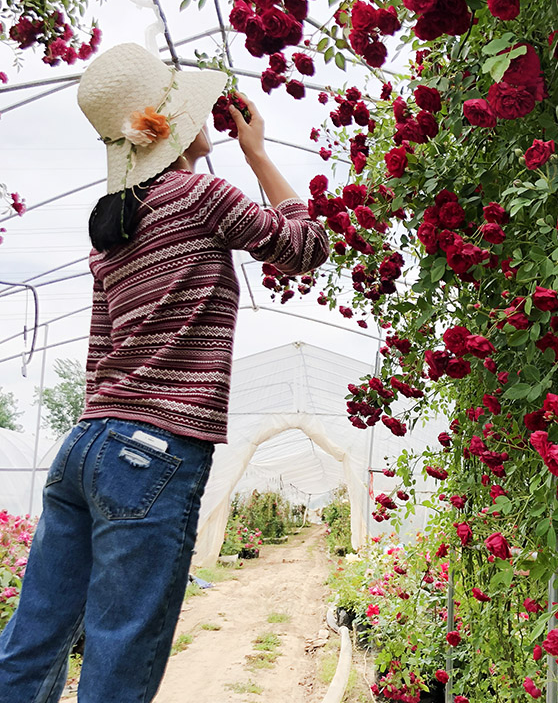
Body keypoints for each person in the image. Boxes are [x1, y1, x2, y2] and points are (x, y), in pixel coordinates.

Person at [0, 43, 329, 703]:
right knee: (119, 659)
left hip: (85, 447)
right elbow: (305, 244)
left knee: (31, 644)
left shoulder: (113, 232)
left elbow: (99, 360)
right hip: (153, 452)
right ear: (170, 128)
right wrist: (258, 153)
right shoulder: (198, 195)